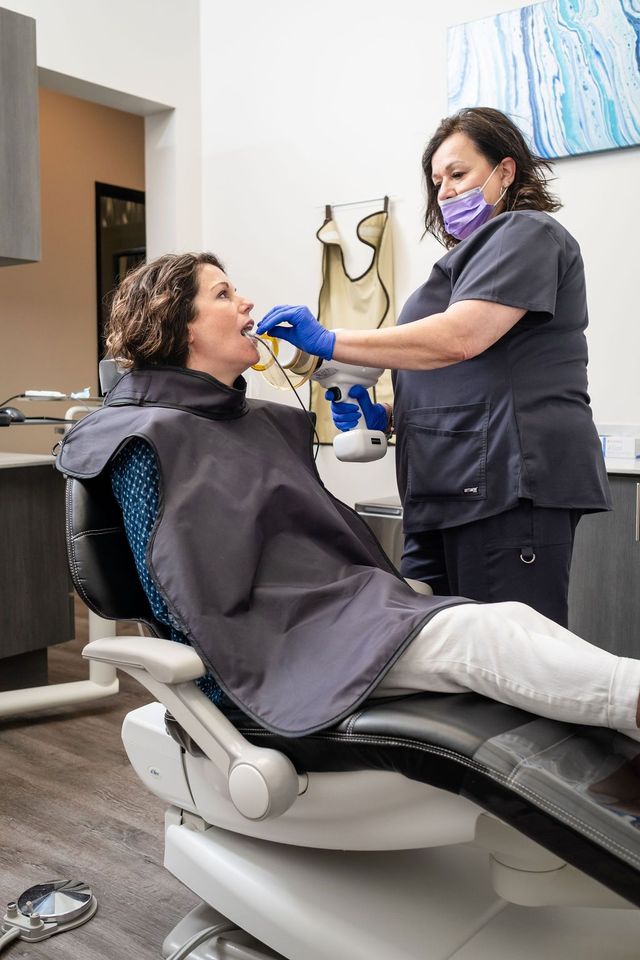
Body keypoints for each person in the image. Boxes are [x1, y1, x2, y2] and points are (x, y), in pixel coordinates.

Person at [56, 252, 640, 744]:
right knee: (479, 638)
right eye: (223, 294)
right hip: (271, 649)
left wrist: (379, 417)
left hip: (330, 617)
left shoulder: (259, 420)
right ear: (178, 323)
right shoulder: (146, 437)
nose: (247, 305)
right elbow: (181, 596)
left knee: (507, 619)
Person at [257, 107, 611, 628]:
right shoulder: (463, 262)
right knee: (443, 658)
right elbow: (463, 376)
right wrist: (390, 415)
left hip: (507, 487)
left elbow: (461, 339)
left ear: (505, 171)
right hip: (446, 491)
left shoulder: (526, 233)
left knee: (509, 660)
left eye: (458, 173)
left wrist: (330, 341)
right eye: (437, 179)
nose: (444, 190)